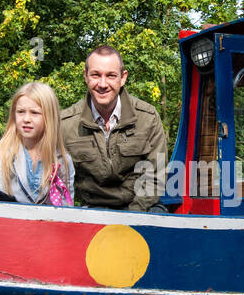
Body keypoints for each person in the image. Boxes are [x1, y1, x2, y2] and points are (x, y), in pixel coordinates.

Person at [60, 45, 168, 211]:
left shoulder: (147, 117)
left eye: (111, 76)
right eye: (96, 75)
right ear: (85, 76)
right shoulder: (66, 124)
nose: (103, 84)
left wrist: (131, 217)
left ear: (123, 78)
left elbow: (156, 175)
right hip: (91, 210)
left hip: (140, 208)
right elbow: (58, 180)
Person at [0, 82, 74, 206]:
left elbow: (66, 210)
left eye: (34, 113)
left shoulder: (62, 160)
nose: (26, 119)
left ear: (49, 117)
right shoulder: (2, 155)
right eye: (21, 112)